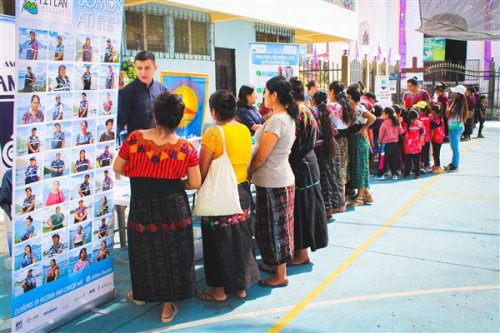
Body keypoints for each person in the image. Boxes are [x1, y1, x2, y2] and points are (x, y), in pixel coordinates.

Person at [114, 91, 201, 323]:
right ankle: (166, 307)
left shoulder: (134, 139)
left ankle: (141, 294)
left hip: (141, 203)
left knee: (143, 250)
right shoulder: (185, 148)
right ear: (179, 118)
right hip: (173, 204)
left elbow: (118, 167)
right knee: (172, 252)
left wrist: (139, 174)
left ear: (154, 113)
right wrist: (176, 181)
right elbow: (195, 182)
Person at [196, 90, 259, 302]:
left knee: (217, 242)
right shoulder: (243, 130)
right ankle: (241, 287)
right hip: (241, 190)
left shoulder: (213, 134)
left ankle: (218, 290)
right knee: (240, 240)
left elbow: (202, 170)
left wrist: (195, 185)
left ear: (213, 112)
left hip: (220, 192)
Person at [248, 76, 297, 288]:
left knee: (277, 228)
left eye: (266, 92)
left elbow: (262, 155)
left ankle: (280, 274)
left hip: (274, 181)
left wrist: (248, 172)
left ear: (274, 95)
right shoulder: (283, 117)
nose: (263, 97)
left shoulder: (278, 120)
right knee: (274, 225)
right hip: (277, 178)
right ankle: (274, 265)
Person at [288, 77, 328, 266]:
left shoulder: (296, 115)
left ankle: (301, 253)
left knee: (301, 210)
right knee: (308, 207)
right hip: (309, 163)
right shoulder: (308, 111)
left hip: (301, 166)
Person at [311, 90, 345, 218]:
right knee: (333, 176)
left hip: (318, 148)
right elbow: (337, 128)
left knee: (322, 179)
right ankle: (333, 207)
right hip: (331, 145)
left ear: (313, 100)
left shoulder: (312, 112)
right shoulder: (331, 111)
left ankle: (324, 210)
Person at [117, 51, 167, 136]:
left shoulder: (163, 90)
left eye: (147, 68)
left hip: (159, 144)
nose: (143, 72)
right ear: (135, 68)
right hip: (136, 145)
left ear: (155, 68)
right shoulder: (126, 92)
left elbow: (169, 119)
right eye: (139, 68)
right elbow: (119, 123)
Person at [346, 83, 376, 206]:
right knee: (355, 167)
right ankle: (367, 194)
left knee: (361, 168)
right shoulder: (351, 108)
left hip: (359, 140)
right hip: (353, 139)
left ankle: (360, 197)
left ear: (350, 96)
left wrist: (363, 128)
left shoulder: (359, 108)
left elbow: (372, 118)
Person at [328, 81, 357, 210]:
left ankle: (338, 203)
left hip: (333, 140)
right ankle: (342, 201)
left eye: (329, 91)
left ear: (333, 92)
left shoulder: (331, 107)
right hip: (344, 139)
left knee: (334, 171)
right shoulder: (347, 106)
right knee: (343, 170)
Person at [445, 85, 468, 172]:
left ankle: (455, 165)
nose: (453, 94)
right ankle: (454, 162)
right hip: (457, 126)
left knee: (455, 147)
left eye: (455, 92)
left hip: (455, 127)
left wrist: (447, 107)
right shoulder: (457, 103)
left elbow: (448, 114)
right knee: (454, 146)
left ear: (459, 94)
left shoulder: (458, 105)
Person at [377, 107, 404, 180]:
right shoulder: (397, 121)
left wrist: (379, 142)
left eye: (384, 113)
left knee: (383, 159)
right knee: (393, 160)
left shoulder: (385, 123)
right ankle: (394, 174)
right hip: (395, 143)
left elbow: (381, 134)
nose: (383, 115)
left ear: (387, 114)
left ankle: (381, 174)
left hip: (385, 143)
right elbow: (401, 131)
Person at [403, 109, 425, 179]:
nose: (414, 120)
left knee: (416, 161)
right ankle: (410, 173)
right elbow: (422, 134)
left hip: (413, 146)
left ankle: (415, 174)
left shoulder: (408, 125)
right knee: (410, 161)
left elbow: (422, 134)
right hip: (412, 146)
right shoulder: (406, 124)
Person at [414, 101, 431, 173]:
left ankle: (421, 166)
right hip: (428, 138)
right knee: (427, 152)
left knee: (420, 152)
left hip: (421, 139)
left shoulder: (419, 118)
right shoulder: (429, 117)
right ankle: (427, 166)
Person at [430, 105, 445, 173]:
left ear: (434, 112)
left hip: (436, 138)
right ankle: (436, 164)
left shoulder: (434, 121)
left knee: (436, 153)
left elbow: (433, 131)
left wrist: (431, 137)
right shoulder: (441, 119)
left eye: (432, 111)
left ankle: (438, 166)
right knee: (436, 152)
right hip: (441, 138)